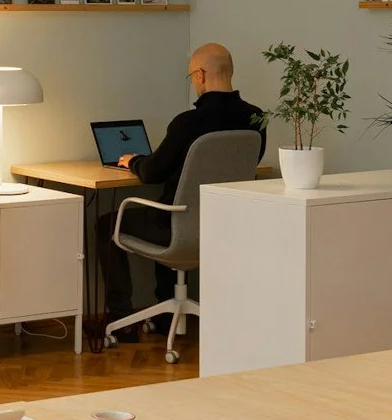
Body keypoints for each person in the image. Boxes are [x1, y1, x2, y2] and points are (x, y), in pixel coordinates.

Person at [101, 43, 270, 327]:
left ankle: (123, 319)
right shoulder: (256, 118)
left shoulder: (188, 122)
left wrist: (133, 161)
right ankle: (167, 314)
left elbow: (152, 173)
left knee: (110, 222)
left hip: (178, 226)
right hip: (227, 226)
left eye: (192, 76)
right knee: (174, 208)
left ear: (201, 75)